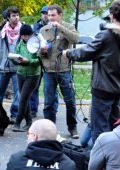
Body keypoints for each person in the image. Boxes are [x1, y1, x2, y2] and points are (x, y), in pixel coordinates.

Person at [64, 0, 120, 142]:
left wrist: (68, 53)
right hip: (119, 87)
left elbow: (85, 52)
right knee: (115, 125)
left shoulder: (106, 36)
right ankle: (115, 155)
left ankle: (99, 161)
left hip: (103, 87)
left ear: (112, 16)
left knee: (100, 128)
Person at [39, 4, 79, 138]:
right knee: (48, 103)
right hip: (49, 71)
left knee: (70, 101)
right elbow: (37, 51)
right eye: (49, 15)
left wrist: (60, 27)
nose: (50, 18)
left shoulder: (68, 26)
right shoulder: (44, 30)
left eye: (53, 15)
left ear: (60, 15)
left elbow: (75, 39)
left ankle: (72, 128)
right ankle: (50, 130)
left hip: (64, 70)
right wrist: (41, 51)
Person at [7, 119, 77, 170]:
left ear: (35, 137)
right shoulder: (69, 165)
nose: (27, 136)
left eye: (29, 133)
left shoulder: (16, 160)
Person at [0, 6, 22, 122]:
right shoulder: (1, 31)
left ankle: (14, 115)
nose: (16, 18)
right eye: (13, 16)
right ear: (8, 18)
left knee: (18, 93)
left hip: (18, 67)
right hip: (3, 67)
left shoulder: (23, 30)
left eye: (17, 15)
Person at [12, 24, 41, 132]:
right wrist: (15, 59)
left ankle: (17, 122)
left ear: (31, 34)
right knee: (25, 99)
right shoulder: (20, 43)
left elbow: (40, 61)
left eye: (27, 35)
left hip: (33, 75)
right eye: (23, 36)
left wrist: (28, 61)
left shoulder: (37, 43)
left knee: (23, 98)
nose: (25, 38)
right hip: (21, 73)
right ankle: (29, 122)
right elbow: (17, 54)